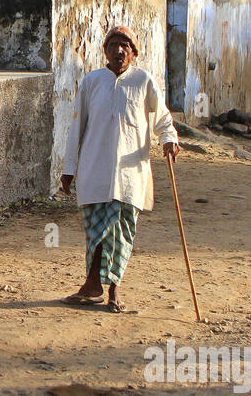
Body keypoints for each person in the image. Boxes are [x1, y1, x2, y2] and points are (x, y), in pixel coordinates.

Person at [60, 25, 179, 314]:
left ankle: (114, 290)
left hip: (130, 175)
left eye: (125, 45)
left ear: (134, 53)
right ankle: (91, 286)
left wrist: (169, 139)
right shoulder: (92, 81)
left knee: (121, 233)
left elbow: (162, 117)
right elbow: (77, 126)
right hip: (94, 170)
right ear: (105, 51)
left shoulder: (143, 81)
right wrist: (69, 168)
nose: (119, 50)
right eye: (113, 44)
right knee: (96, 232)